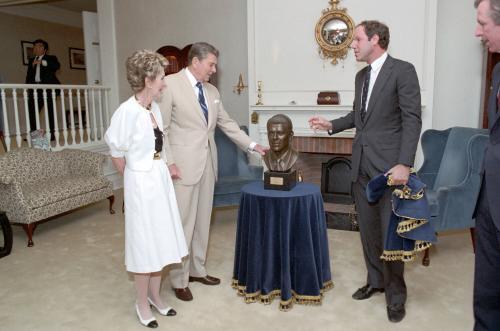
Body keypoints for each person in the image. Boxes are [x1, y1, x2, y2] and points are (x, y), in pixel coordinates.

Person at [308, 20, 421, 323]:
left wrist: (405, 164)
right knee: (368, 231)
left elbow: (412, 120)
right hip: (361, 168)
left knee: (390, 235)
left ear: (375, 39)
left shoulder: (403, 71)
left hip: (390, 170)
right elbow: (359, 117)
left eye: (357, 39)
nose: (352, 45)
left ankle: (396, 296)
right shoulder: (361, 77)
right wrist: (331, 125)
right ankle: (376, 281)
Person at [159, 42, 268, 301]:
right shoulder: (170, 84)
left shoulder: (212, 90)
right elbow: (161, 128)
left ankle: (197, 269)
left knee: (202, 222)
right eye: (211, 64)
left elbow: (227, 124)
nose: (214, 69)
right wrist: (169, 162)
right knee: (183, 223)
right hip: (181, 166)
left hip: (208, 164)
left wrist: (253, 145)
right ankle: (179, 279)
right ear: (195, 61)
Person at [105, 50, 188, 328]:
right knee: (144, 246)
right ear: (149, 79)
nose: (165, 81)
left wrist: (164, 169)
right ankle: (141, 302)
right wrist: (134, 180)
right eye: (162, 76)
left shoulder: (153, 109)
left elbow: (159, 147)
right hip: (141, 184)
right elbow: (117, 153)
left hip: (159, 180)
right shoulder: (126, 112)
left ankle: (155, 296)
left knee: (161, 241)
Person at [473, 1, 500, 329]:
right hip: (490, 203)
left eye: (482, 23)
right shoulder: (497, 71)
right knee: (486, 296)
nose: (477, 32)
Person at [25, 39, 61, 140]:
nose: (36, 48)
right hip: (35, 90)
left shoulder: (51, 58)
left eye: (39, 46)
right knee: (32, 112)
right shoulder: (31, 60)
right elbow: (28, 76)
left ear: (45, 49)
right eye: (35, 46)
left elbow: (56, 66)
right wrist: (27, 89)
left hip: (49, 90)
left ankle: (52, 135)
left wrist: (42, 62)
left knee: (50, 112)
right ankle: (35, 136)